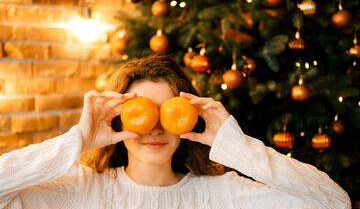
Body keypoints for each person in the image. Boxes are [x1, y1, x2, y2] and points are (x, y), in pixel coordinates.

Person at [0, 54, 351, 209]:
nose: (154, 127)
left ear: (186, 119)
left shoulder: (223, 195)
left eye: (167, 113)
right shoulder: (81, 192)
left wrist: (235, 146)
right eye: (142, 112)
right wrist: (77, 140)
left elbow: (332, 202)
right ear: (119, 120)